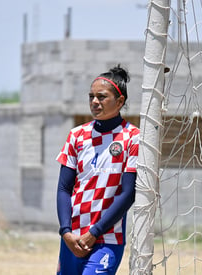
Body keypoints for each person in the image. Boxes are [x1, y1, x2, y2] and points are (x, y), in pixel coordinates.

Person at [55, 65, 140, 275]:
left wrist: (95, 231)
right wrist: (66, 232)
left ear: (120, 101)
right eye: (91, 96)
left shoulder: (133, 137)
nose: (95, 101)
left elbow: (128, 193)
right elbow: (64, 189)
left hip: (107, 238)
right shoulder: (76, 135)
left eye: (101, 97)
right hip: (73, 239)